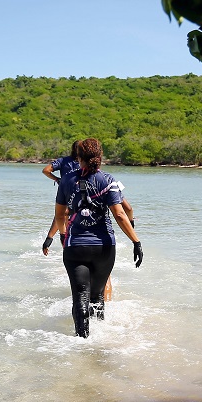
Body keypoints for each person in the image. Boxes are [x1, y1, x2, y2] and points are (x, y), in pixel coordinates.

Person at [42, 138, 143, 338]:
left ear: (78, 158)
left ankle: (82, 340)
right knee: (97, 296)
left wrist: (62, 235)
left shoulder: (66, 180)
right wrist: (136, 242)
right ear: (99, 157)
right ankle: (99, 336)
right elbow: (121, 214)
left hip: (76, 247)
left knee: (80, 296)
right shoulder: (108, 180)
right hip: (104, 248)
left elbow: (60, 214)